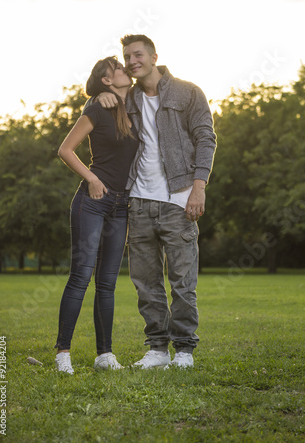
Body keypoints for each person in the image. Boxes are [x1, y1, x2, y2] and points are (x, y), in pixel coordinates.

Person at [96, 35, 217, 369]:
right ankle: (157, 350)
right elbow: (96, 106)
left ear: (153, 56)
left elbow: (206, 138)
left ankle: (184, 351)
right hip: (139, 200)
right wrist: (103, 93)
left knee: (182, 281)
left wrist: (199, 188)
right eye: (127, 56)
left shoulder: (187, 92)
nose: (132, 61)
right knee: (145, 282)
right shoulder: (127, 97)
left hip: (179, 199)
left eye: (137, 54)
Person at [54, 56, 138, 374]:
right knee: (81, 276)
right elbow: (65, 149)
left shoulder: (135, 107)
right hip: (93, 202)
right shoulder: (96, 109)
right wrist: (91, 179)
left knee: (108, 283)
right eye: (117, 68)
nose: (125, 69)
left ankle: (105, 355)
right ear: (106, 80)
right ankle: (63, 353)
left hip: (122, 206)